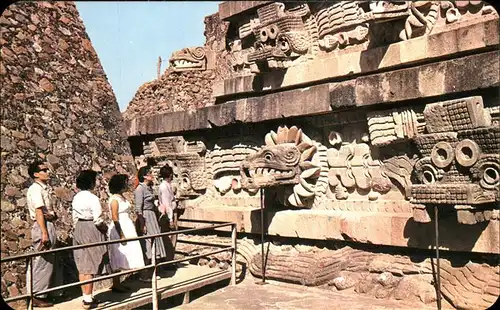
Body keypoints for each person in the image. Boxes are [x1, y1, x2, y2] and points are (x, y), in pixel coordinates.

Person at [72, 170, 125, 309]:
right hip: (90, 227)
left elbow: (74, 217)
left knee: (82, 263)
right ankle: (88, 299)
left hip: (79, 227)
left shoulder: (76, 197)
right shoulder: (92, 198)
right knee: (90, 263)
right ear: (91, 182)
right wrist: (104, 229)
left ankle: (86, 296)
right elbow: (97, 219)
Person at [25, 161, 63, 307]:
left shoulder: (44, 188)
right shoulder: (35, 189)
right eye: (43, 170)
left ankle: (47, 292)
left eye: (47, 169)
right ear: (35, 174)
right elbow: (39, 211)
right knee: (42, 261)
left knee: (50, 260)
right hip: (42, 226)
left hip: (48, 224)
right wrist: (44, 233)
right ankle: (37, 294)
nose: (47, 172)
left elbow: (46, 211)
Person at [107, 174, 145, 275]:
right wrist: (121, 234)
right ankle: (116, 283)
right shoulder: (115, 199)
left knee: (130, 252)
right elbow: (115, 217)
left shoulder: (122, 197)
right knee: (118, 254)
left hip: (127, 225)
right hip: (120, 227)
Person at [135, 166, 167, 280]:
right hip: (145, 216)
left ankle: (153, 271)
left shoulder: (149, 188)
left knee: (154, 242)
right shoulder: (140, 189)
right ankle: (145, 274)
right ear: (144, 176)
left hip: (152, 215)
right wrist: (142, 223)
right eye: (150, 173)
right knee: (148, 243)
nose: (152, 175)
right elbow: (138, 208)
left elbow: (153, 201)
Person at [157, 165, 178, 263]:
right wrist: (170, 219)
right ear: (170, 174)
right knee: (169, 238)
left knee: (171, 237)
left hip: (170, 212)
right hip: (167, 214)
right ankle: (168, 260)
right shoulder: (164, 187)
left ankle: (169, 259)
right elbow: (166, 204)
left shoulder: (166, 185)